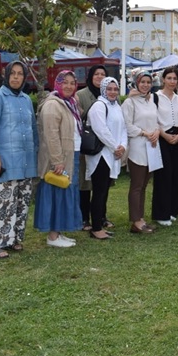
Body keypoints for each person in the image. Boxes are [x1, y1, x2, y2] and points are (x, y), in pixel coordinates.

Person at [0, 61, 38, 259]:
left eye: (20, 74)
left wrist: (36, 154)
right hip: (4, 160)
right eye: (12, 73)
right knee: (2, 202)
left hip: (26, 160)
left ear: (24, 77)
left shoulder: (26, 100)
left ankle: (13, 239)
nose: (15, 77)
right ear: (6, 76)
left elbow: (33, 128)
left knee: (21, 202)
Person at [34, 70, 84, 248]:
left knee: (65, 192)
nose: (69, 86)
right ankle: (53, 236)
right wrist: (57, 160)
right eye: (65, 82)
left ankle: (59, 231)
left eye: (72, 82)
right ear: (57, 84)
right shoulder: (52, 105)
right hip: (59, 158)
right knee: (56, 194)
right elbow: (51, 135)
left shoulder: (68, 103)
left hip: (70, 154)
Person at [84, 76, 127, 240]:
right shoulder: (99, 106)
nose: (113, 92)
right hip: (101, 155)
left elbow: (123, 128)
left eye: (115, 89)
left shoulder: (117, 106)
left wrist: (123, 145)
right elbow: (101, 130)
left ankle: (99, 224)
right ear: (103, 89)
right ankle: (95, 228)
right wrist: (116, 147)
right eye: (109, 89)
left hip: (113, 154)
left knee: (104, 191)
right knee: (99, 192)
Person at [121, 71, 161, 234]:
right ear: (136, 83)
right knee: (136, 185)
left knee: (144, 185)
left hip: (151, 147)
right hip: (137, 147)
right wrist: (145, 133)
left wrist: (157, 132)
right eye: (142, 82)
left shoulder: (150, 101)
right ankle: (135, 221)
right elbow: (127, 126)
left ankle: (141, 219)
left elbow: (157, 121)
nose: (145, 85)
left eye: (148, 82)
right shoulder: (130, 103)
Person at [154, 67, 178, 225]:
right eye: (169, 78)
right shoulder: (156, 97)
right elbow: (153, 121)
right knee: (163, 176)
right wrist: (166, 136)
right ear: (163, 80)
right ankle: (161, 214)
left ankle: (173, 210)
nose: (172, 81)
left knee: (175, 175)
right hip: (163, 138)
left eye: (175, 79)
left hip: (177, 138)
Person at [77, 64, 108, 231]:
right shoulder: (81, 95)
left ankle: (102, 215)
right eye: (96, 74)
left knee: (103, 183)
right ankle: (84, 218)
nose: (100, 77)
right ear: (90, 76)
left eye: (103, 74)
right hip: (88, 145)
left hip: (105, 146)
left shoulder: (110, 94)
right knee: (85, 182)